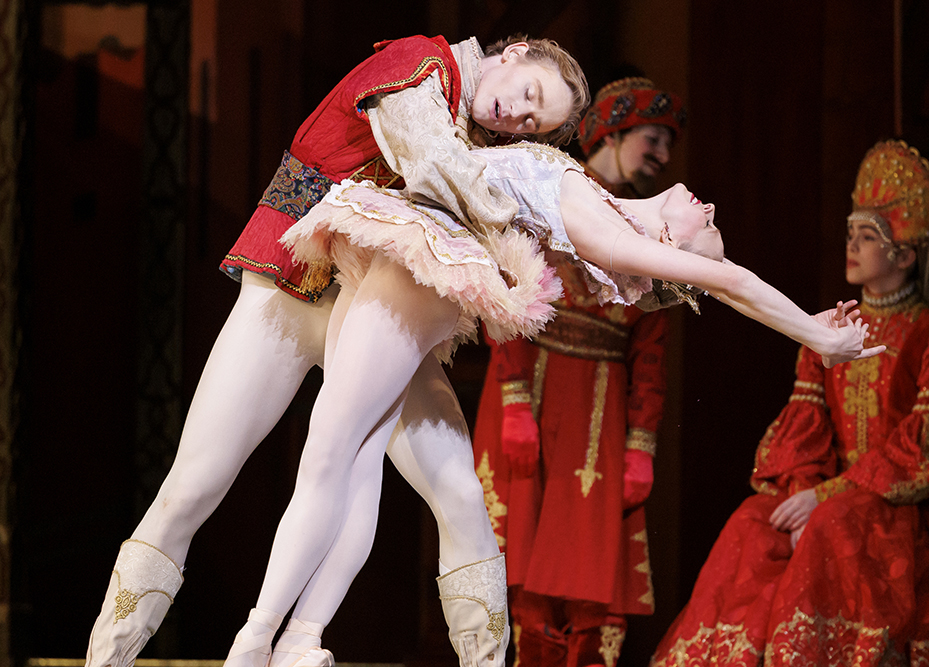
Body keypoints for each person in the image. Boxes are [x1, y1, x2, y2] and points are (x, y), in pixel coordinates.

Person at [224, 136, 882, 667]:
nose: (710, 212)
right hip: (407, 261)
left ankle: (262, 641)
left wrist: (818, 333)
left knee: (337, 463)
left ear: (670, 248)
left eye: (706, 234)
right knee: (353, 470)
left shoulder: (613, 236)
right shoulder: (604, 201)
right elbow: (733, 281)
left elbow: (735, 283)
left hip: (416, 282)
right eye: (713, 224)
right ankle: (293, 639)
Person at [86, 33, 590, 667]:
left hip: (377, 316)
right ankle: (108, 659)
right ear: (514, 53)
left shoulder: (485, 142)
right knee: (192, 488)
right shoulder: (421, 64)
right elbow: (431, 161)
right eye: (528, 95)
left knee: (461, 493)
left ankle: (442, 655)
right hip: (294, 291)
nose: (515, 116)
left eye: (530, 123)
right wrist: (540, 197)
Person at [649, 140, 929, 667]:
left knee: (833, 525)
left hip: (899, 501)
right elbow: (805, 426)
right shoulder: (827, 328)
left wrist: (825, 498)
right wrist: (802, 493)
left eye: (868, 236)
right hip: (832, 491)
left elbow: (926, 454)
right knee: (752, 522)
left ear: (904, 256)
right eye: (850, 233)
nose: (851, 245)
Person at [470, 78, 687, 667]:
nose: (663, 158)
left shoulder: (653, 221)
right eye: (653, 139)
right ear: (614, 133)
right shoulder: (550, 190)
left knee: (590, 583)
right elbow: (507, 289)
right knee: (523, 579)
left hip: (600, 408)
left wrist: (641, 444)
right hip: (529, 387)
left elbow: (652, 344)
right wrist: (515, 400)